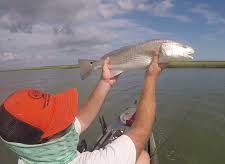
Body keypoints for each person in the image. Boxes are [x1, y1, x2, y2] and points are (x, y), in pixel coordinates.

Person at [0, 51, 163, 164]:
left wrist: (105, 82)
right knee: (142, 157)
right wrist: (150, 78)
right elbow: (141, 131)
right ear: (45, 143)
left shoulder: (29, 154)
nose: (69, 121)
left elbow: (81, 120)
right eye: (60, 123)